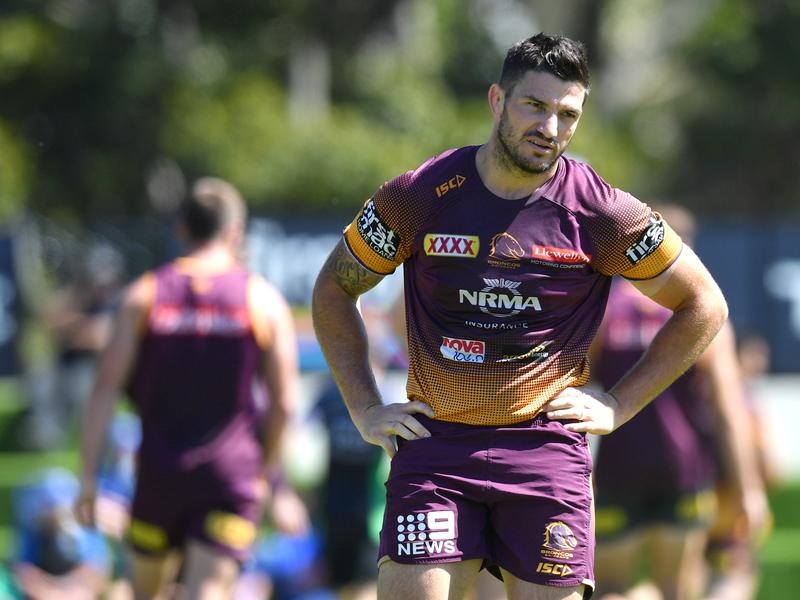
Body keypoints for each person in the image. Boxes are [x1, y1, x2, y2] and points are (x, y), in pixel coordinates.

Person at [311, 32, 740, 600]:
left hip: (546, 455)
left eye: (568, 114)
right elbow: (335, 287)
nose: (550, 128)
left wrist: (618, 404)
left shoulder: (601, 211)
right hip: (436, 448)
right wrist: (364, 407)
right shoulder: (422, 194)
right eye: (534, 106)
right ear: (497, 100)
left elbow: (704, 304)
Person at [75, 176, 308, 600]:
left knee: (143, 593)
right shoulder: (262, 300)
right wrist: (265, 475)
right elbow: (286, 404)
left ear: (181, 228)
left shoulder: (143, 296)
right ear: (236, 232)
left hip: (159, 475)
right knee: (209, 592)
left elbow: (104, 390)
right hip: (230, 477)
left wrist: (89, 477)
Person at [588, 205, 770, 600]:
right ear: (685, 250)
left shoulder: (604, 312)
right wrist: (748, 490)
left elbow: (574, 388)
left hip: (620, 470)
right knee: (677, 589)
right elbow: (729, 411)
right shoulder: (705, 315)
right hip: (684, 472)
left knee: (610, 588)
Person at [10, 467, 113, 600]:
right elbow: (23, 570)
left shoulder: (85, 529)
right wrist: (51, 594)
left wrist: (76, 593)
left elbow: (98, 567)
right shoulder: (34, 531)